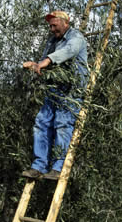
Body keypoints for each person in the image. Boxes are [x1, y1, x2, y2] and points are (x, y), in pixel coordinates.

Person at [22, 10, 88, 180]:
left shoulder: (76, 37)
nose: (52, 29)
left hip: (71, 91)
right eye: (50, 26)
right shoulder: (52, 41)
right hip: (54, 89)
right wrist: (36, 66)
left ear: (65, 23)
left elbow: (69, 51)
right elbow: (45, 63)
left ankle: (58, 169)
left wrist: (47, 61)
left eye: (54, 25)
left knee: (63, 124)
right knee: (41, 123)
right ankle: (38, 167)